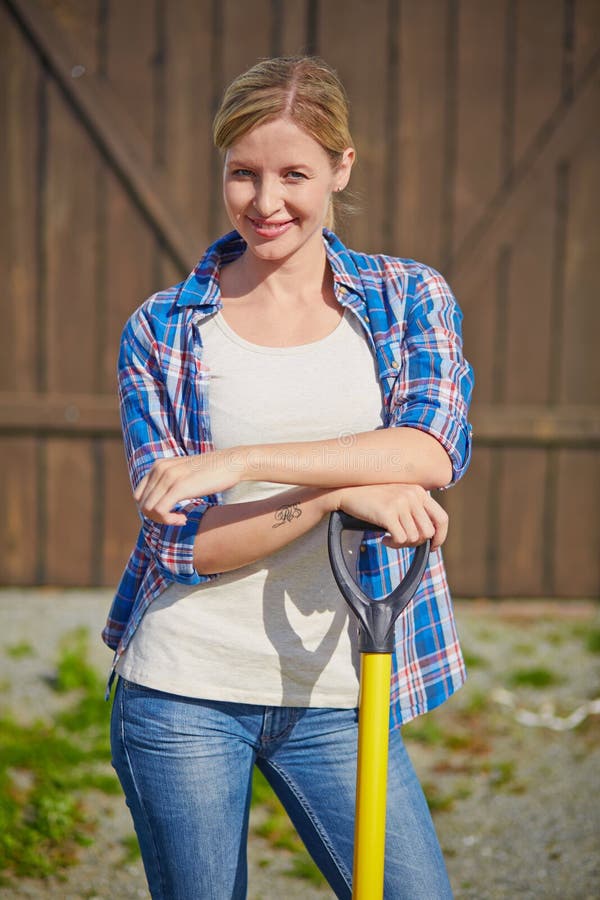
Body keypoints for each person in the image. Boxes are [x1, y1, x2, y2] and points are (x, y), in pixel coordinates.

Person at [104, 55, 474, 900]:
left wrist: (244, 462)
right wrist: (338, 491)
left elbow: (429, 449)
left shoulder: (409, 297)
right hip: (183, 693)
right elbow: (187, 547)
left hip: (343, 690)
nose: (266, 203)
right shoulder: (163, 329)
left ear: (343, 167)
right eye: (244, 173)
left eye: (295, 173)